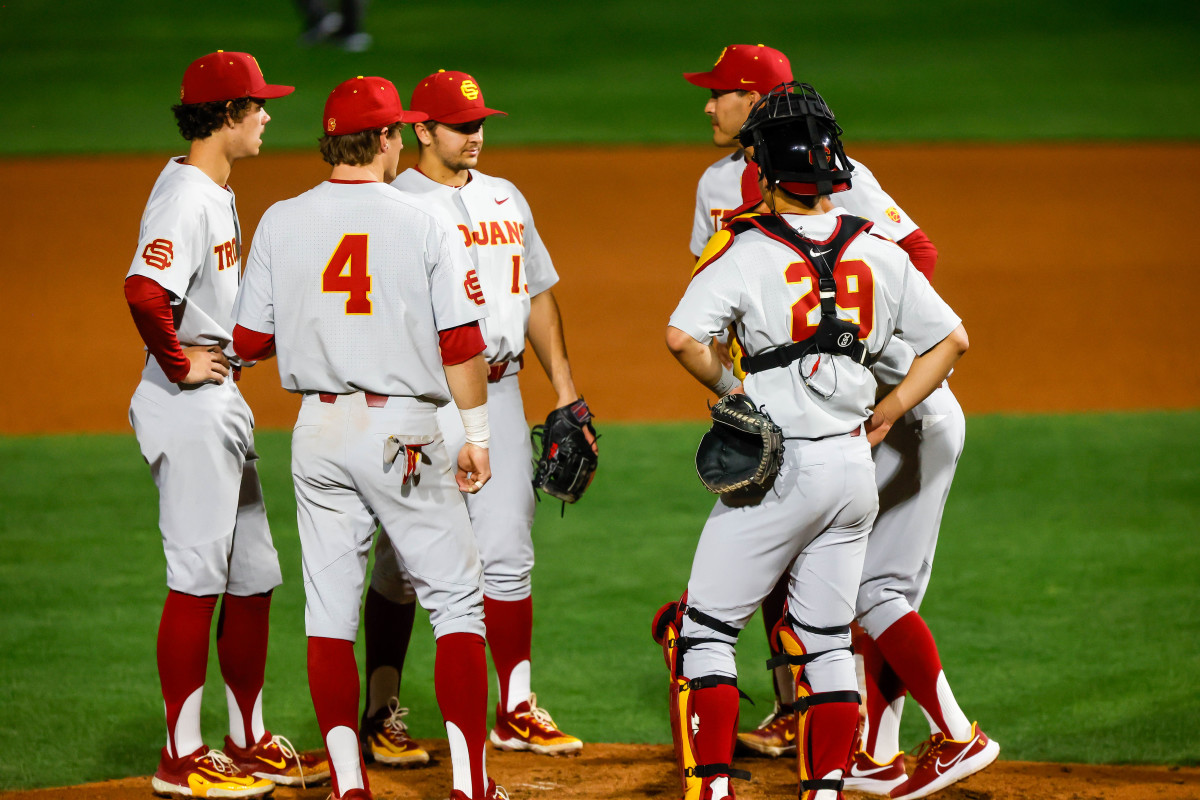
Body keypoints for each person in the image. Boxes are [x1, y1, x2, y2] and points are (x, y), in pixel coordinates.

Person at [660, 83, 969, 800]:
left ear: (766, 171)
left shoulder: (744, 248)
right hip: (852, 471)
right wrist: (887, 408)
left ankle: (711, 792)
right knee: (827, 642)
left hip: (779, 472)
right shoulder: (879, 252)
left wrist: (730, 390)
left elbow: (682, 338)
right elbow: (952, 340)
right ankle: (826, 791)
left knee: (705, 630)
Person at [231, 75, 506, 800]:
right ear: (387, 139)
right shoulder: (425, 223)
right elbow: (462, 341)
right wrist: (476, 433)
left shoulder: (281, 219)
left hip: (317, 431)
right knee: (456, 603)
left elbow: (250, 339)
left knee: (328, 613)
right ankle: (473, 787)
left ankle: (350, 787)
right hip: (403, 432)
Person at [354, 69, 590, 763]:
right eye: (460, 126)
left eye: (481, 123)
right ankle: (380, 709)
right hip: (425, 402)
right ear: (421, 130)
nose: (476, 136)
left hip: (505, 391)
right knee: (402, 565)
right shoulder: (392, 204)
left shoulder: (505, 197)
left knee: (510, 558)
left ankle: (514, 707)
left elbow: (538, 293)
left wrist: (566, 390)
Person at [124, 50, 329, 797]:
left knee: (251, 578)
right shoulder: (186, 196)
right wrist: (181, 364)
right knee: (198, 580)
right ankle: (181, 758)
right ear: (226, 117)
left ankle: (245, 738)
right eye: (258, 106)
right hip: (187, 407)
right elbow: (145, 290)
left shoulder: (212, 187)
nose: (268, 115)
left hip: (218, 402)